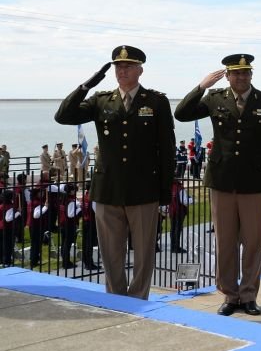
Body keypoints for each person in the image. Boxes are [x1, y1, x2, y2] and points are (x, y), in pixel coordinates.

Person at [54, 46, 175, 299]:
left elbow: (167, 149)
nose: (122, 71)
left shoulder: (156, 102)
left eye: (128, 66)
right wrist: (87, 85)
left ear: (140, 70)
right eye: (118, 67)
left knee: (143, 252)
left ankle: (139, 298)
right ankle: (116, 299)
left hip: (144, 189)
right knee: (110, 252)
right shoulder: (100, 100)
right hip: (108, 189)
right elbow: (63, 116)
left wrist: (164, 193)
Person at [174, 54, 261, 316]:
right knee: (225, 241)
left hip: (254, 182)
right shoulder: (214, 98)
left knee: (254, 241)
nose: (241, 77)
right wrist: (202, 86)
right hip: (222, 181)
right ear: (228, 76)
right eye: (236, 73)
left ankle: (249, 295)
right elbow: (181, 114)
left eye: (246, 73)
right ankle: (229, 295)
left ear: (251, 75)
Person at [169, 179, 192, 254]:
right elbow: (184, 201)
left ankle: (173, 246)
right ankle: (176, 247)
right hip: (179, 211)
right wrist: (192, 200)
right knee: (178, 229)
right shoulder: (180, 188)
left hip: (172, 210)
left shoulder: (170, 186)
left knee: (173, 229)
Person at [81, 183, 100, 270]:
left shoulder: (85, 196)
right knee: (89, 243)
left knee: (85, 242)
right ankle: (89, 263)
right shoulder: (92, 197)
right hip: (91, 222)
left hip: (85, 220)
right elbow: (96, 211)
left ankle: (86, 261)